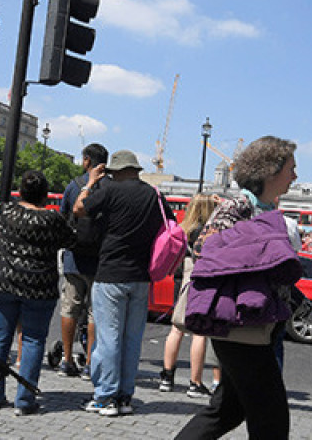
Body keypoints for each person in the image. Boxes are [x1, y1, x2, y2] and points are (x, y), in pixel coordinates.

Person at [176, 137, 312, 440]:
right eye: (291, 168)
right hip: (241, 328)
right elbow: (203, 249)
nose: (295, 176)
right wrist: (257, 249)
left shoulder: (267, 212)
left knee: (228, 410)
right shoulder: (238, 207)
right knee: (272, 422)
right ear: (270, 171)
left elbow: (278, 282)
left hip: (252, 328)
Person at [74, 149, 170, 417]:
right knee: (131, 339)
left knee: (108, 339)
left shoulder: (111, 190)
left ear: (115, 171)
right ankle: (125, 397)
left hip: (111, 273)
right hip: (141, 277)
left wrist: (91, 182)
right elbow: (169, 225)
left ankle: (105, 397)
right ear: (136, 170)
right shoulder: (153, 194)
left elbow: (79, 209)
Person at [0, 170, 75, 416]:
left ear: (21, 192)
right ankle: (25, 399)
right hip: (39, 287)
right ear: (44, 196)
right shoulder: (53, 219)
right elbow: (72, 240)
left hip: (3, 282)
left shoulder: (6, 211)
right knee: (33, 340)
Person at [56, 143, 108, 378]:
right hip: (100, 259)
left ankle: (66, 359)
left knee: (70, 308)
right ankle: (89, 362)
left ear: (87, 161)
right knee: (94, 313)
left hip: (74, 258)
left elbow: (64, 215)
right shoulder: (111, 188)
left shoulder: (74, 186)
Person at [160, 192, 219, 398]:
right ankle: (195, 383)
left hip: (182, 281)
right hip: (201, 281)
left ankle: (167, 377)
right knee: (199, 333)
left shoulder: (183, 230)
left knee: (176, 329)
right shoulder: (210, 233)